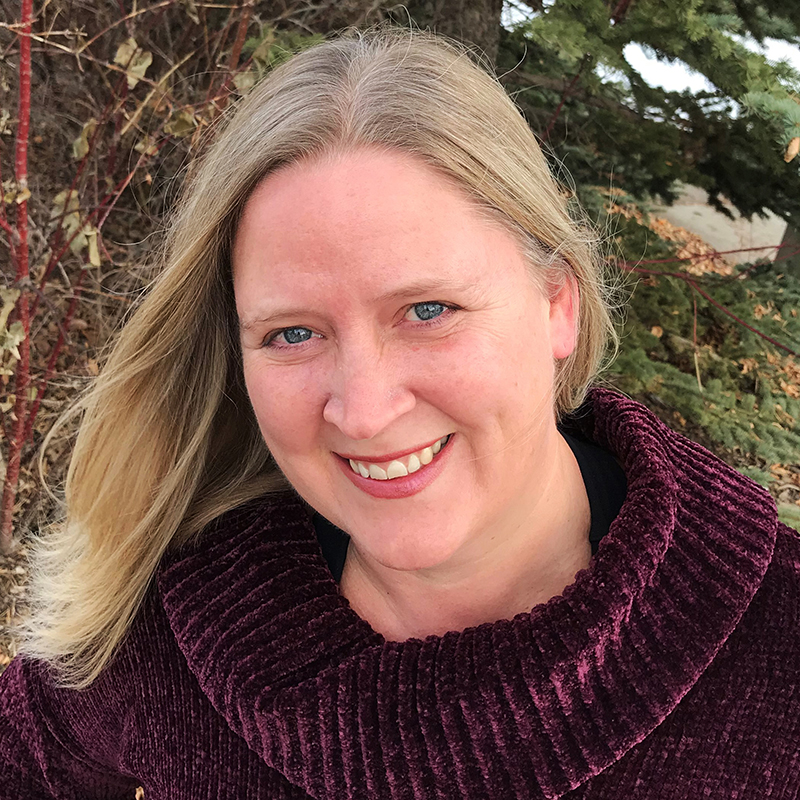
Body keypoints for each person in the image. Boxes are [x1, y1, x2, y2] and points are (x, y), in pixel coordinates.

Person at [0, 26, 797, 800]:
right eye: (293, 333)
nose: (364, 412)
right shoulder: (173, 631)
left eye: (428, 311)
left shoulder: (776, 648)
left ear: (558, 304)